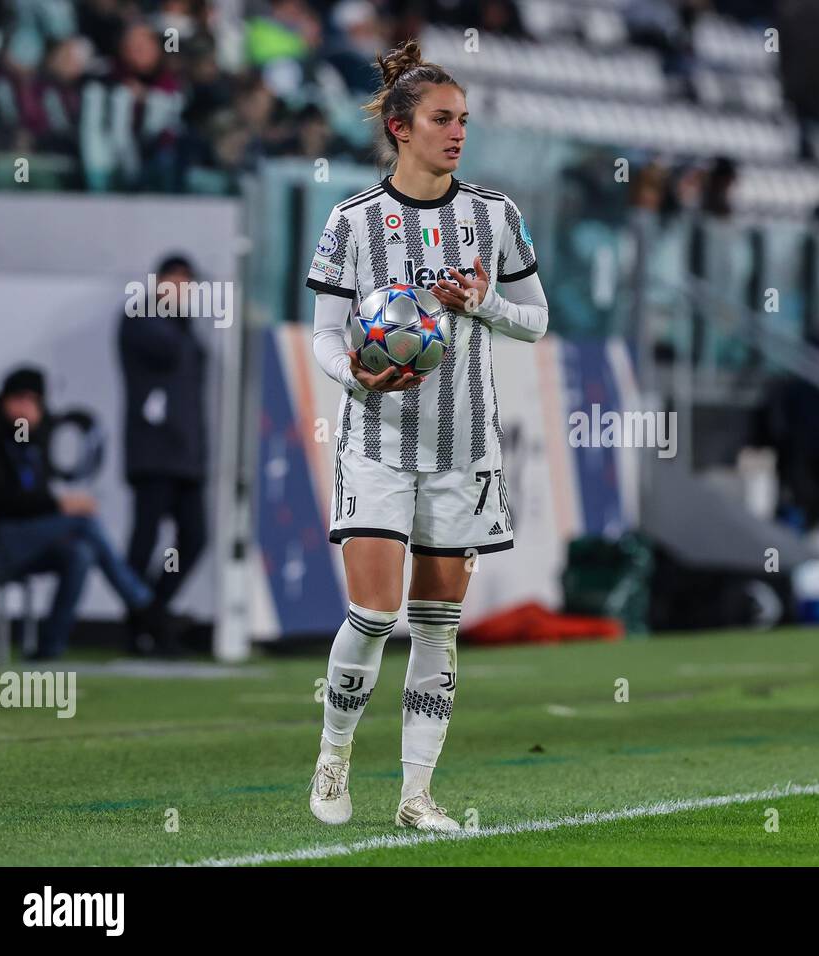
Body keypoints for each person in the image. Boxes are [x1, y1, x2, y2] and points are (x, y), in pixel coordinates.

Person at [305, 40, 548, 831]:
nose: (458, 134)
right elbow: (323, 334)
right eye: (444, 119)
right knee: (374, 615)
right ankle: (334, 755)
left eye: (465, 121)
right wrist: (352, 374)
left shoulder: (495, 216)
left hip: (462, 449)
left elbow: (537, 320)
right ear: (402, 128)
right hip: (376, 440)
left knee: (438, 626)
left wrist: (482, 306)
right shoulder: (352, 221)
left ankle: (415, 795)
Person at [0, 368, 163, 661]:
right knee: (83, 523)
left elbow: (29, 494)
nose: (25, 407)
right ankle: (143, 606)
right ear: (4, 399)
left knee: (80, 554)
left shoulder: (30, 442)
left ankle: (49, 649)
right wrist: (57, 505)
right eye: (19, 399)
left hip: (22, 543)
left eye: (33, 401)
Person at [118, 254, 209, 655]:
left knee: (194, 537)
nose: (182, 289)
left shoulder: (183, 327)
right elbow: (169, 353)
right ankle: (136, 625)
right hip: (153, 451)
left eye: (187, 282)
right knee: (145, 538)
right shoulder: (140, 318)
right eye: (175, 280)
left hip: (186, 454)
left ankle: (152, 614)